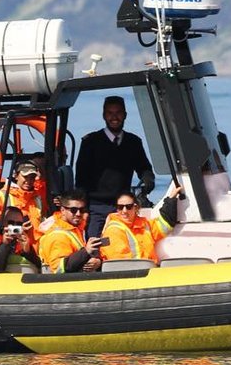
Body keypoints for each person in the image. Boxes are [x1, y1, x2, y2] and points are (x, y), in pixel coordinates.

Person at [75, 95, 155, 225]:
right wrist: (83, 208)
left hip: (122, 206)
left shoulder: (133, 142)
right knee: (96, 242)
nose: (114, 117)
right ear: (104, 115)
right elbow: (81, 177)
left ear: (125, 115)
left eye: (118, 113)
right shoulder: (90, 142)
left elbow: (143, 167)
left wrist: (148, 179)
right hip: (96, 206)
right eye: (110, 113)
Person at [100, 185, 184, 263]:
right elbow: (120, 263)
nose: (124, 211)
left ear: (135, 207)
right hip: (130, 275)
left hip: (148, 271)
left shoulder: (144, 225)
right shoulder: (113, 230)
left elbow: (165, 224)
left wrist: (171, 198)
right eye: (120, 207)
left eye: (128, 206)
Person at [38, 189, 106, 273]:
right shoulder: (57, 235)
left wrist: (97, 261)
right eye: (73, 210)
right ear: (62, 210)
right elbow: (60, 269)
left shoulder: (75, 230)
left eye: (81, 210)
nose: (78, 214)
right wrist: (86, 251)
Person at [0, 159, 46, 242]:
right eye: (25, 177)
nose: (28, 181)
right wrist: (18, 229)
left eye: (32, 178)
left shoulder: (37, 198)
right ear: (16, 175)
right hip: (12, 248)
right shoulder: (2, 195)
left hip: (33, 249)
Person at [0, 205, 43, 274]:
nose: (14, 226)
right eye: (11, 223)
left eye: (18, 224)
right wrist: (4, 245)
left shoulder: (24, 239)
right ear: (2, 223)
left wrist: (27, 252)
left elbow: (39, 267)